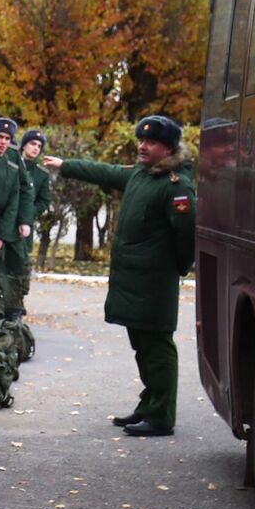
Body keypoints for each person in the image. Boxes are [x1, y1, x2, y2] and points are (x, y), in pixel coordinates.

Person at [43, 115, 196, 437]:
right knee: (142, 345)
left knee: (157, 347)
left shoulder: (176, 185)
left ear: (167, 148)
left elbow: (187, 236)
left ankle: (161, 416)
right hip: (133, 281)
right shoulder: (143, 174)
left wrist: (176, 270)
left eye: (150, 142)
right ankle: (148, 406)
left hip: (154, 282)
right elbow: (107, 172)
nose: (142, 146)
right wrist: (65, 165)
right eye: (140, 140)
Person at [11, 129, 55, 320]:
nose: (36, 148)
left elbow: (44, 201)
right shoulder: (12, 165)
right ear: (23, 145)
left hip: (24, 228)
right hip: (5, 223)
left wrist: (28, 216)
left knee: (20, 265)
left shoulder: (41, 174)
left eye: (39, 146)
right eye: (32, 144)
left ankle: (17, 304)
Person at [0, 116, 25, 314]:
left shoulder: (11, 162)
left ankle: (7, 312)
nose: (3, 142)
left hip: (2, 226)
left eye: (7, 138)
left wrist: (1, 234)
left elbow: (14, 200)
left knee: (5, 275)